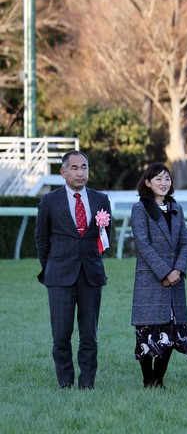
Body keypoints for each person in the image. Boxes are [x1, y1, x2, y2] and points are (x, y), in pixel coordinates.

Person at [35, 151, 112, 389]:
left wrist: (93, 259)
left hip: (91, 275)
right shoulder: (50, 201)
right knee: (61, 336)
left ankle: (87, 383)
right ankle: (65, 383)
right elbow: (41, 239)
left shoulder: (101, 199)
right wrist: (50, 268)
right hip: (59, 276)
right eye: (75, 168)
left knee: (90, 336)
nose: (80, 173)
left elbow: (107, 236)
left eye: (85, 167)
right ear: (63, 172)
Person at [129, 163, 187, 388]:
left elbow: (185, 242)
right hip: (151, 278)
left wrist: (177, 270)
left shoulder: (176, 208)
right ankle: (148, 379)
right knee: (148, 331)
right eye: (158, 179)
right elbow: (143, 244)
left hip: (175, 280)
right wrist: (165, 271)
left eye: (167, 179)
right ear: (147, 183)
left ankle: (159, 379)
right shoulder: (140, 209)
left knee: (171, 331)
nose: (163, 183)